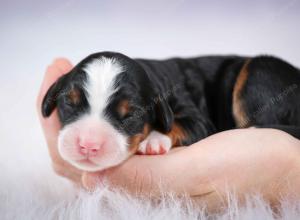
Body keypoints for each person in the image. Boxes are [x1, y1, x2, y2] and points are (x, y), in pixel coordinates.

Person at [37, 58, 300, 210]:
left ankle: (275, 135)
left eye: (126, 116)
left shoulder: (163, 98)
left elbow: (198, 125)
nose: (88, 142)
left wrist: (168, 135)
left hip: (271, 80)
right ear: (53, 100)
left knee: (259, 76)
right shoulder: (144, 95)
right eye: (71, 105)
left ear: (158, 111)